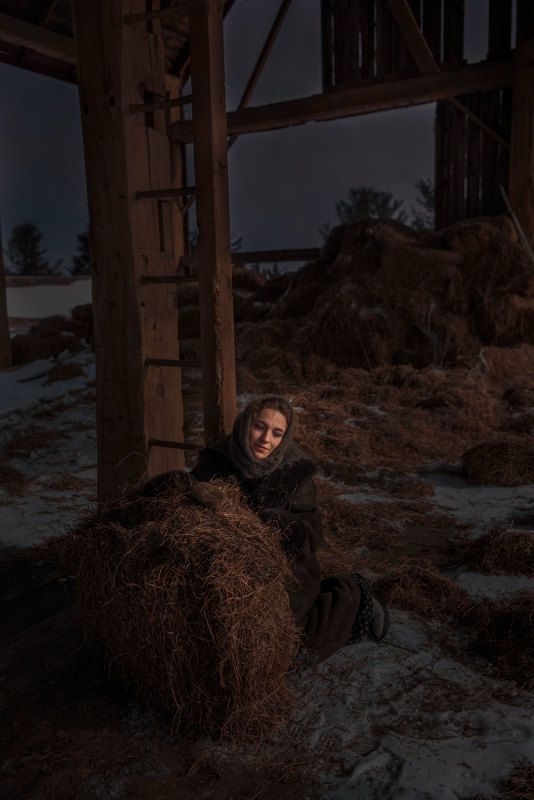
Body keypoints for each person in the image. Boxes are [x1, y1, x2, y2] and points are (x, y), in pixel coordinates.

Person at [142, 396, 389, 663]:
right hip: (224, 563)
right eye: (260, 426)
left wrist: (269, 521)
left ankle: (352, 593)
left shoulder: (295, 474)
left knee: (288, 646)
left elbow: (313, 538)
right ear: (245, 423)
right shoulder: (217, 461)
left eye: (277, 433)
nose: (265, 439)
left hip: (287, 565)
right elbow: (194, 500)